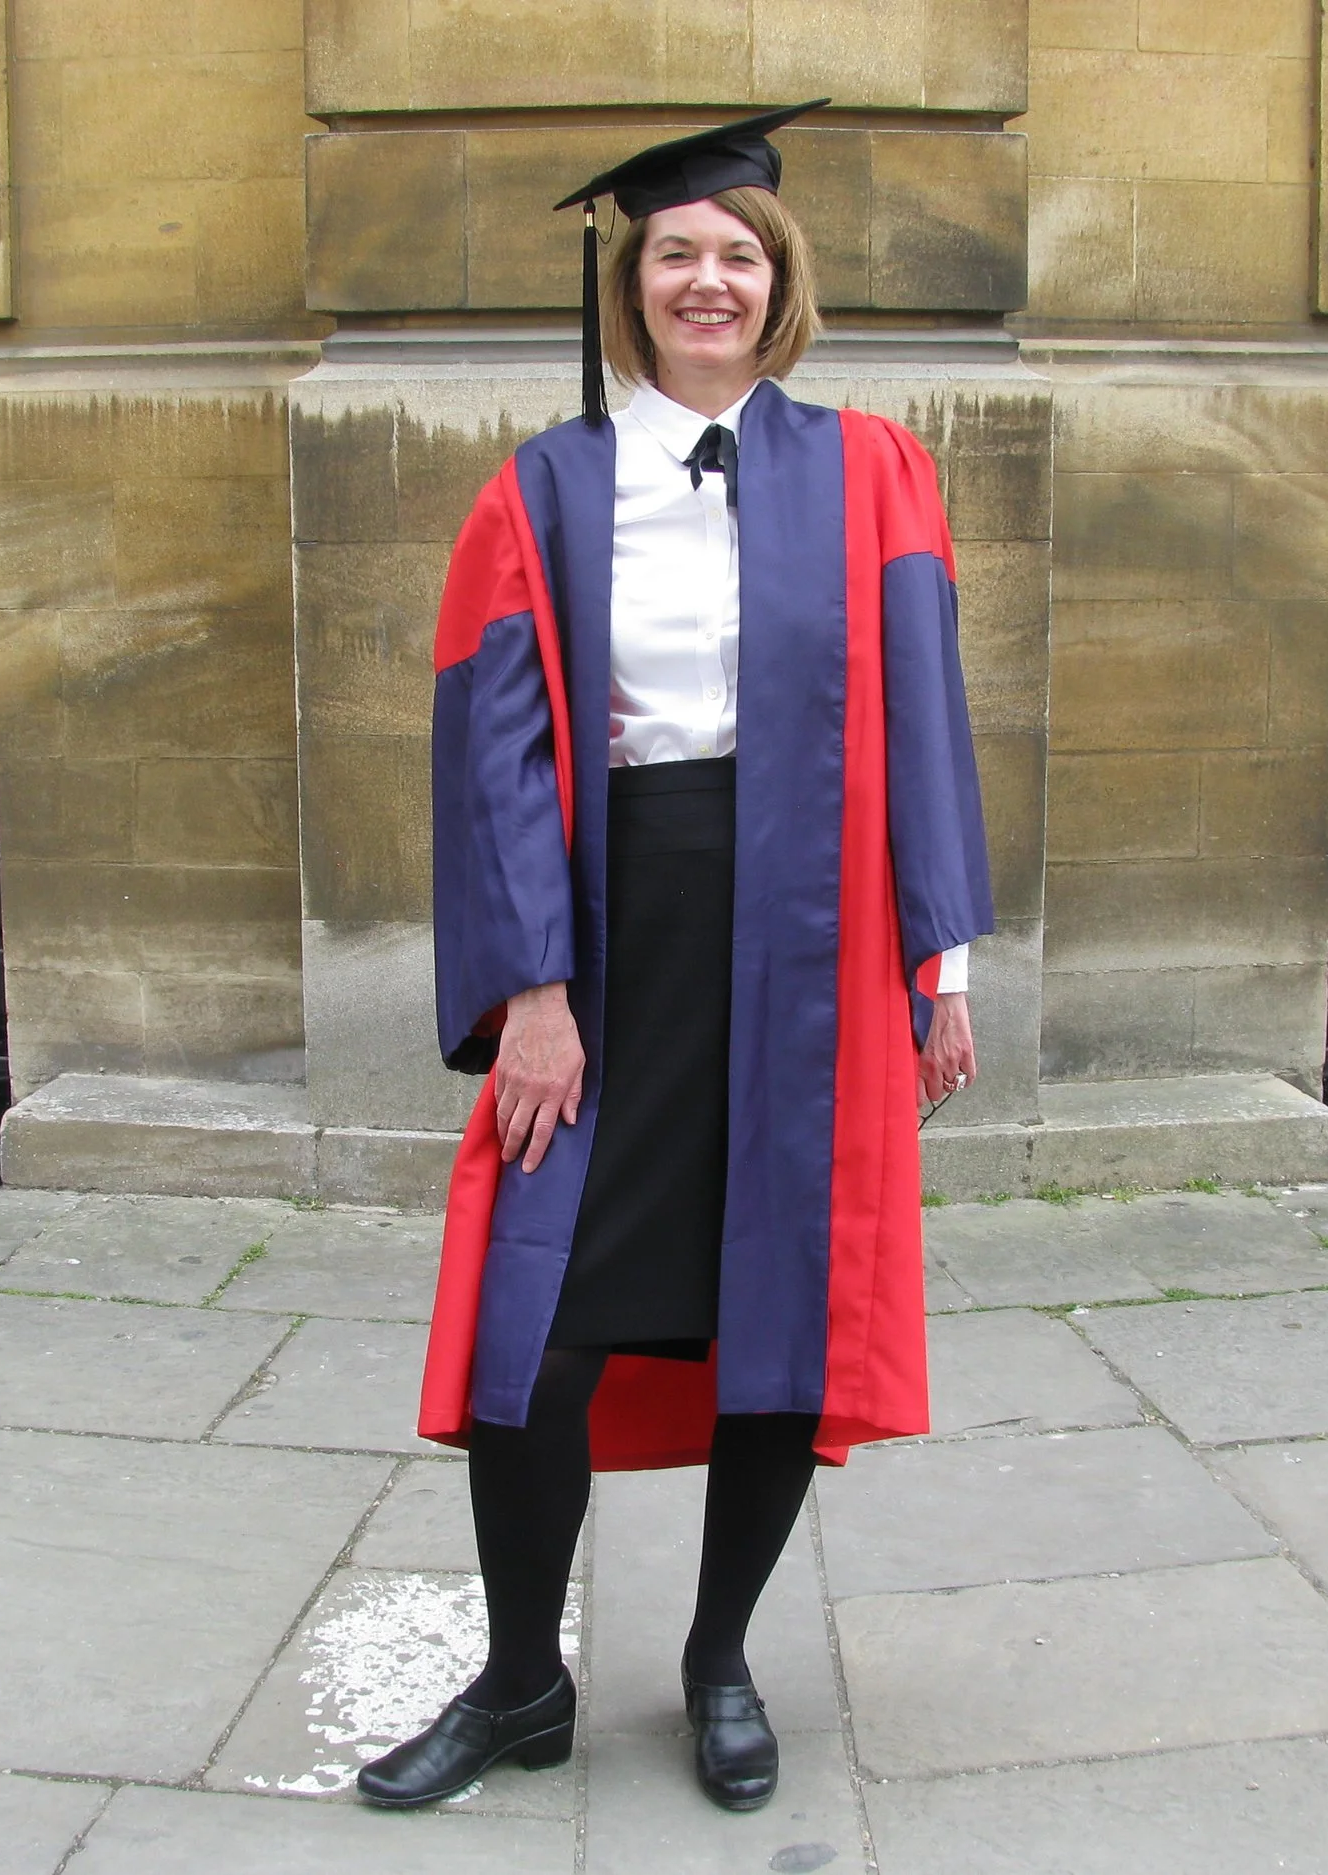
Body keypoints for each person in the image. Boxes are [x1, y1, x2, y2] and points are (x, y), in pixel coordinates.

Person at [357, 101, 994, 1814]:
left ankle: (719, 1658)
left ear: (778, 282)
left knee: (777, 1317)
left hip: (810, 945)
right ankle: (518, 1680)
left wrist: (940, 958)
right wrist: (532, 996)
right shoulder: (543, 492)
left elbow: (923, 715)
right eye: (675, 254)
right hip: (608, 933)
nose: (708, 280)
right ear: (628, 285)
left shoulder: (872, 470)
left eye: (739, 254)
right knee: (531, 1330)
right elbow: (493, 751)